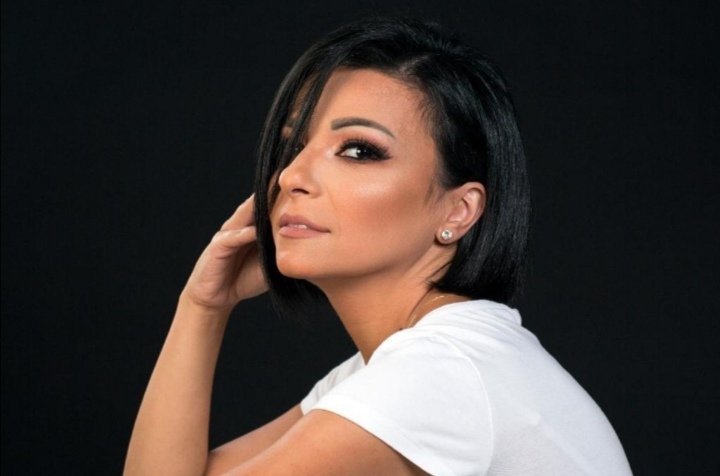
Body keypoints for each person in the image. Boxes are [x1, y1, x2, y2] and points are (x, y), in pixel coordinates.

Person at [124, 17, 632, 476]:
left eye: (358, 150)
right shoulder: (394, 369)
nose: (292, 175)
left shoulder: (441, 370)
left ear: (458, 211)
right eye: (294, 145)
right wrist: (203, 308)